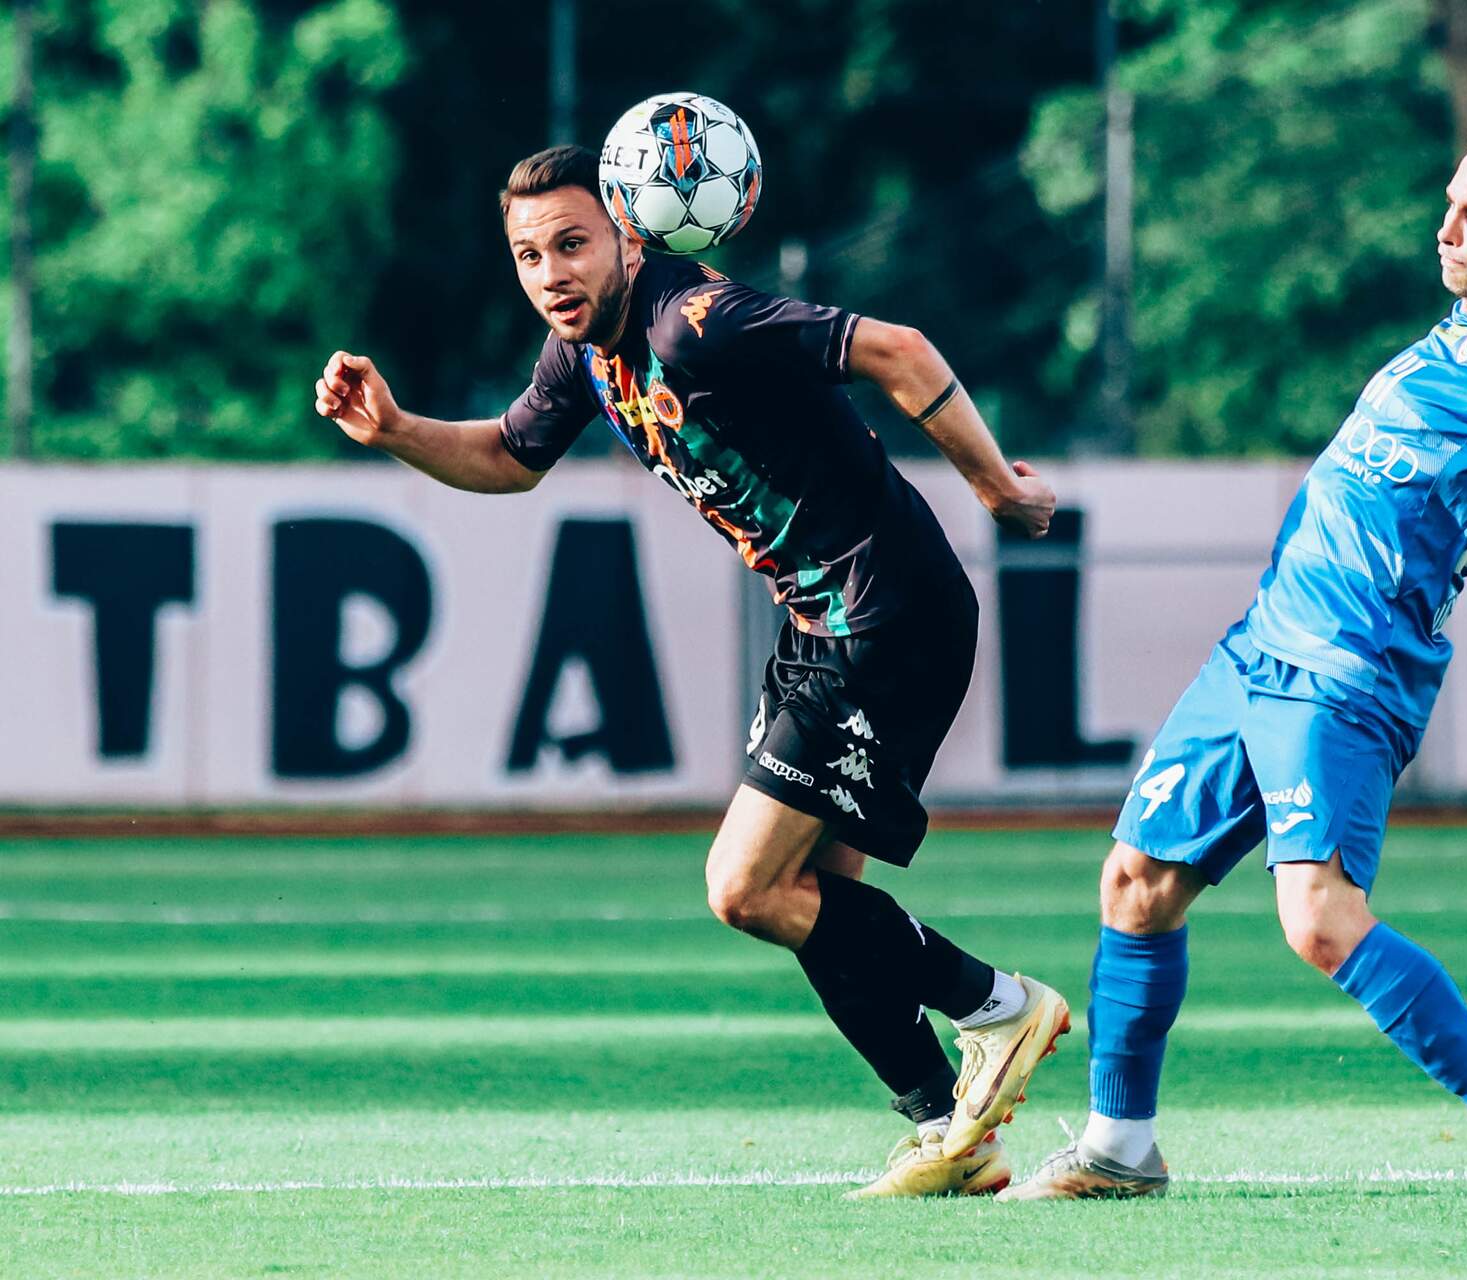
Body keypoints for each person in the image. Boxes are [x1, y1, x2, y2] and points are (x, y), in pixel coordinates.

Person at [314, 143, 1070, 1198]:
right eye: (529, 255)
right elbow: (508, 458)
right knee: (813, 899)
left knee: (745, 887)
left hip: (886, 614)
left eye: (573, 243)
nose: (552, 273)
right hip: (821, 622)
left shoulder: (692, 323)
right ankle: (950, 1128)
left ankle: (998, 1007)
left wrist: (996, 488)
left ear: (629, 237)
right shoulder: (581, 350)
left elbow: (896, 348)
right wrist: (394, 428)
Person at [1000, 115, 1467, 1205]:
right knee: (1137, 882)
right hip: (1260, 645)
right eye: (1451, 202)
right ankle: (1120, 1145)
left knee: (1319, 917)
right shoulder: (1454, 339)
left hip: (1348, 664)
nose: (1449, 226)